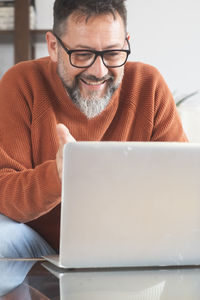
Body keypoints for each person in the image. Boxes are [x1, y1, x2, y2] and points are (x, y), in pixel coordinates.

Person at [0, 0, 187, 258]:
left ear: (126, 43)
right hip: (40, 244)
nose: (99, 71)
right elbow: (4, 193)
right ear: (54, 46)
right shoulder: (21, 83)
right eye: (82, 54)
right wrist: (57, 176)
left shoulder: (149, 86)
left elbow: (184, 187)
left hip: (129, 242)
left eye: (112, 53)